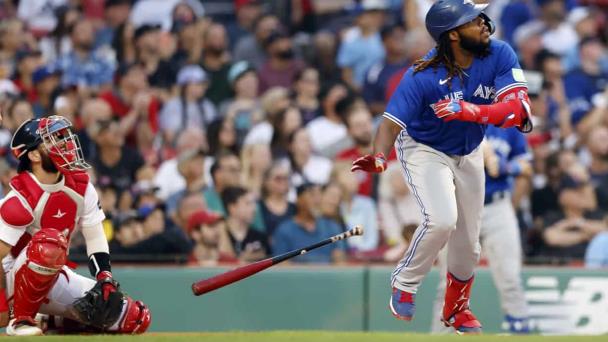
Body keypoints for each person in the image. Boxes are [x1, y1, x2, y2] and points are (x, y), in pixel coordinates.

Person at [351, 0, 532, 334]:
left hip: (470, 148)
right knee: (442, 219)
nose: (483, 23)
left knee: (468, 244)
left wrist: (472, 112)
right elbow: (390, 123)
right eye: (472, 21)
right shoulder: (422, 75)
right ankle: (405, 282)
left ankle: (457, 309)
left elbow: (519, 112)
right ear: (452, 36)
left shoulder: (500, 53)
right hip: (425, 148)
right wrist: (379, 157)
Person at [0, 116, 151, 335]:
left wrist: (105, 278)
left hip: (51, 274)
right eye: (53, 139)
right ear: (33, 155)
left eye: (63, 137)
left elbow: (96, 237)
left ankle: (49, 320)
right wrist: (3, 308)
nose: (65, 143)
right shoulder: (20, 198)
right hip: (10, 281)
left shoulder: (80, 186)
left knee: (133, 318)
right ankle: (20, 320)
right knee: (48, 243)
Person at [432, 126, 533, 334]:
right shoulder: (452, 117)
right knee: (449, 284)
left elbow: (526, 167)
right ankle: (442, 336)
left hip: (497, 206)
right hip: (459, 207)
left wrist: (506, 166)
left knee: (510, 279)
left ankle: (521, 334)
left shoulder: (507, 126)